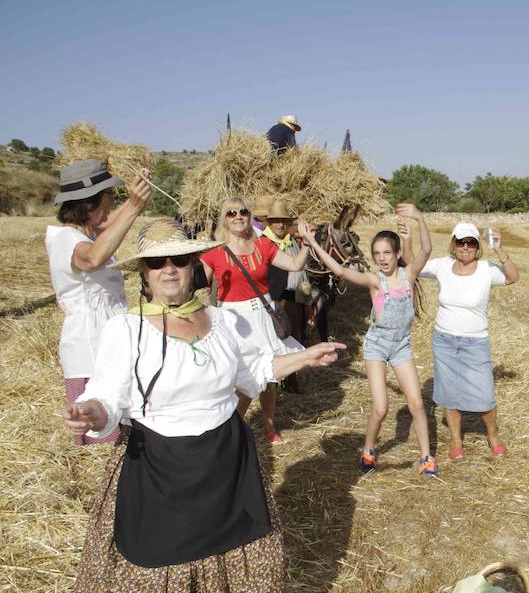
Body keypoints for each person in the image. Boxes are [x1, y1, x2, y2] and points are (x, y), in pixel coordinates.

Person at [62, 218, 345, 591]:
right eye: (157, 263)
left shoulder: (221, 320)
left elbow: (255, 370)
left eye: (178, 261)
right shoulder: (126, 329)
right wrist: (90, 413)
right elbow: (107, 395)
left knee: (238, 551)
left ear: (193, 265)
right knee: (161, 560)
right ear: (143, 274)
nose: (169, 270)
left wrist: (306, 357)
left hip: (228, 460)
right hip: (159, 466)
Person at [299, 204, 440, 476]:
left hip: (401, 345)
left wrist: (420, 218)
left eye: (387, 253)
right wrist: (313, 244)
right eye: (377, 254)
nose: (383, 258)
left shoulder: (409, 275)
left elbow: (426, 250)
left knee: (417, 404)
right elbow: (340, 271)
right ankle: (369, 448)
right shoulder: (375, 281)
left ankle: (426, 457)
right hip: (377, 346)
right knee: (381, 408)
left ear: (398, 253)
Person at [45, 159, 151, 445]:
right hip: (91, 348)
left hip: (109, 337)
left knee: (127, 435)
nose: (111, 207)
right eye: (108, 201)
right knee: (108, 436)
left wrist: (132, 200)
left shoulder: (86, 234)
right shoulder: (66, 239)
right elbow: (92, 259)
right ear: (89, 205)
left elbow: (109, 228)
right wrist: (133, 206)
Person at [200, 197, 310, 442]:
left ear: (250, 217)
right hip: (234, 320)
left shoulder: (263, 245)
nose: (238, 216)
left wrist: (307, 244)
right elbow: (196, 282)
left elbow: (294, 264)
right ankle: (234, 428)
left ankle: (268, 426)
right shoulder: (214, 253)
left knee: (270, 375)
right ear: (224, 219)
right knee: (244, 377)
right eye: (231, 213)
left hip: (264, 314)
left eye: (243, 212)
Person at [418, 222, 519, 461]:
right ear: (453, 244)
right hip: (444, 340)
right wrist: (411, 231)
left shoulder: (486, 269)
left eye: (471, 242)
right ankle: (455, 439)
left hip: (476, 342)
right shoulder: (441, 265)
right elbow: (414, 265)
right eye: (461, 242)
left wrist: (500, 250)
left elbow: (513, 277)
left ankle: (493, 435)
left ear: (477, 246)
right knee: (449, 393)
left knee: (484, 395)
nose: (465, 247)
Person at [264, 199, 309, 340]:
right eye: (277, 221)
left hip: (295, 300)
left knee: (297, 336)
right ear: (269, 223)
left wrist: (307, 301)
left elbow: (302, 272)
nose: (281, 225)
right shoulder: (263, 243)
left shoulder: (292, 242)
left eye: (284, 221)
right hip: (274, 302)